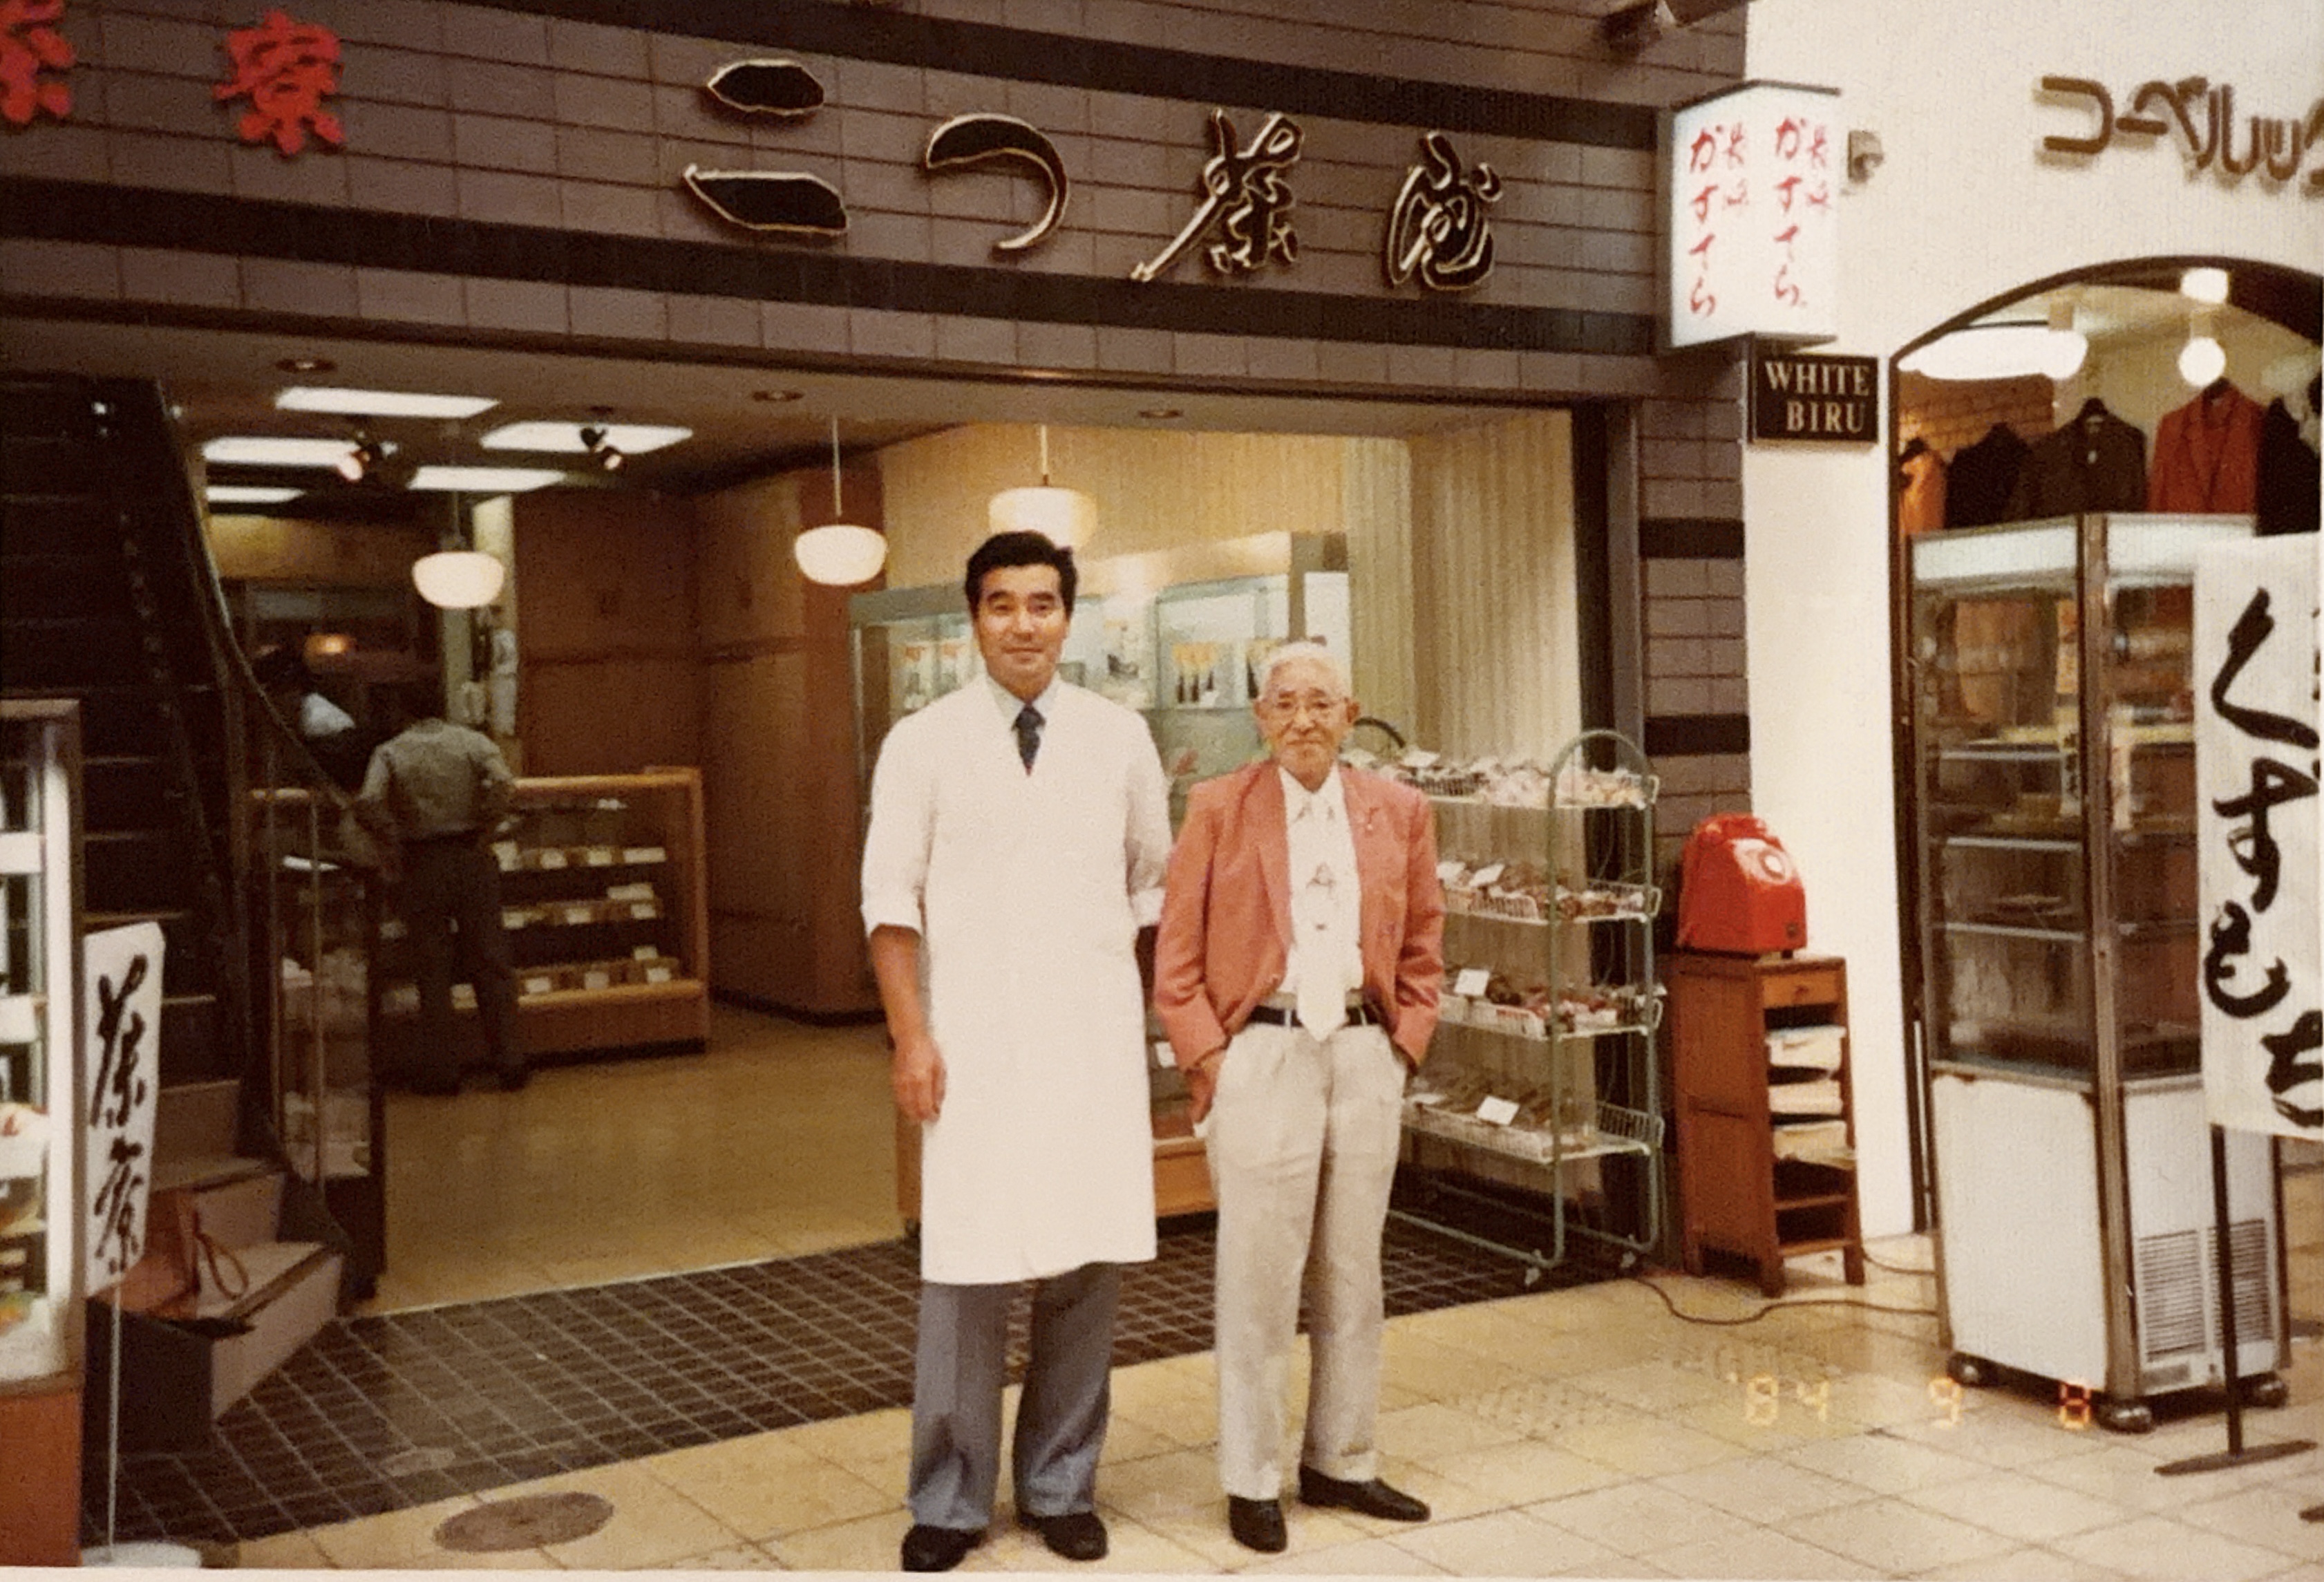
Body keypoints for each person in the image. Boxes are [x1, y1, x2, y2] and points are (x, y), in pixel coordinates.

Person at [860, 531, 1173, 1573]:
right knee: (966, 1270)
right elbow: (888, 905)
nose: (1024, 624)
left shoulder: (1118, 734)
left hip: (1087, 1039)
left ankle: (1058, 1484)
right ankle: (947, 1501)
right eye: (1002, 605)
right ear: (973, 618)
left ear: (1070, 619)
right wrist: (912, 1036)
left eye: (1043, 604)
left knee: (1084, 1265)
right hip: (973, 1041)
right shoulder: (922, 741)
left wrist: (1148, 1021)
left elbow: (1151, 892)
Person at [1153, 640, 1444, 1554]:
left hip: (1362, 1049)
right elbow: (1175, 963)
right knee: (1257, 1275)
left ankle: (1341, 1459)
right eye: (1283, 703)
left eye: (1320, 702)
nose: (1302, 720)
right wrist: (1211, 1061)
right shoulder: (1217, 807)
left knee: (1352, 1272)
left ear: (1349, 713)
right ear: (1258, 716)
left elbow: (1425, 941)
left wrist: (1404, 1043)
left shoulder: (1398, 810)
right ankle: (1249, 1474)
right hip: (1262, 1054)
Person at [355, 679, 523, 1095]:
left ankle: (443, 1071)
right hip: (471, 856)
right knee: (490, 959)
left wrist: (392, 836)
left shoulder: (392, 751)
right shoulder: (471, 742)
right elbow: (503, 783)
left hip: (421, 861)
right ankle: (510, 1061)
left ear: (402, 712)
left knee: (432, 968)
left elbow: (370, 801)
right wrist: (487, 824)